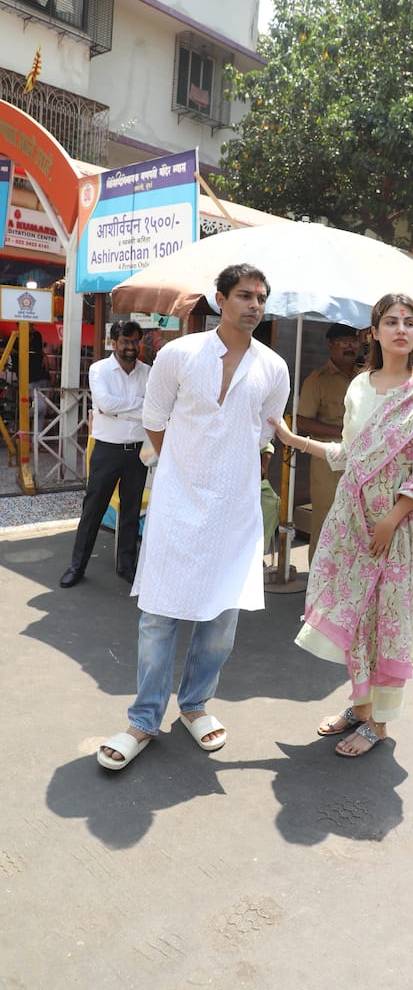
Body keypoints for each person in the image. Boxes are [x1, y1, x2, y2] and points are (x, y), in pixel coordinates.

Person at [97, 264, 290, 771]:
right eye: (244, 295)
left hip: (236, 510)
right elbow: (154, 422)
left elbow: (263, 436)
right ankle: (143, 719)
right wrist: (185, 471)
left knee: (221, 619)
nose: (254, 305)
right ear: (219, 299)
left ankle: (195, 704)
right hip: (177, 504)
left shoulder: (274, 367)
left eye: (262, 298)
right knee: (159, 616)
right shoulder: (179, 355)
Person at [271, 293, 413, 758]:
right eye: (391, 322)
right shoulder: (359, 386)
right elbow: (351, 456)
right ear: (373, 332)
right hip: (350, 524)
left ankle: (378, 723)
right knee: (355, 621)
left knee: (387, 622)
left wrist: (392, 520)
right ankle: (359, 706)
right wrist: (295, 440)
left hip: (396, 531)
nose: (401, 330)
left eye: (410, 323)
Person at [59, 321, 149, 588]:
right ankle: (77, 566)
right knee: (93, 510)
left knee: (131, 512)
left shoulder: (149, 372)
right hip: (107, 451)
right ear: (113, 343)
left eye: (135, 341)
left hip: (138, 452)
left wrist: (123, 410)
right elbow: (106, 404)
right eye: (125, 341)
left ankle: (126, 566)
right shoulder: (99, 369)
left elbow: (156, 407)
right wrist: (139, 407)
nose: (131, 347)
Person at [297, 323, 360, 563]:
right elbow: (302, 422)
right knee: (325, 519)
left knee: (354, 520)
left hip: (358, 459)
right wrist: (340, 430)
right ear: (331, 345)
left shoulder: (366, 378)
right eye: (344, 342)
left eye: (353, 342)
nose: (350, 347)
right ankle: (318, 579)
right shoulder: (318, 380)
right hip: (327, 463)